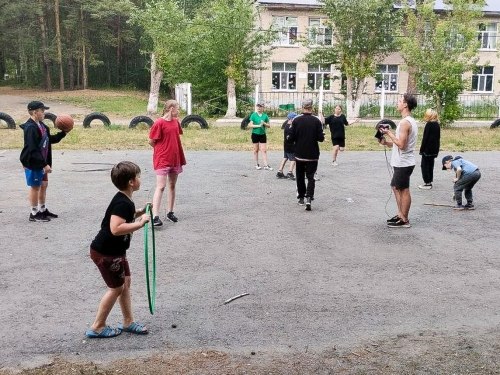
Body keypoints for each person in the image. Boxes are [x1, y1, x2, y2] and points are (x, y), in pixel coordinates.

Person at [86, 161, 150, 338]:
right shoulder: (122, 202)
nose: (140, 179)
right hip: (106, 253)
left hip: (116, 251)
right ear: (131, 182)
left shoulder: (125, 200)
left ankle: (128, 321)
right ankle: (97, 326)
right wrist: (140, 223)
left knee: (125, 283)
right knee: (116, 288)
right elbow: (116, 228)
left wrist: (139, 211)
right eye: (138, 176)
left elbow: (125, 215)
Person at [19, 101, 69, 222]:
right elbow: (32, 149)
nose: (44, 113)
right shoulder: (30, 128)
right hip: (33, 162)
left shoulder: (42, 126)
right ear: (35, 112)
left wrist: (63, 133)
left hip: (42, 161)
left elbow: (49, 140)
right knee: (35, 186)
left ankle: (42, 209)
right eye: (42, 111)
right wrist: (44, 165)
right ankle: (34, 213)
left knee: (43, 185)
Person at [379, 93, 418, 228]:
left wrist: (388, 133)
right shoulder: (408, 121)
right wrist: (386, 143)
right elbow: (401, 144)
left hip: (404, 162)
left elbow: (401, 145)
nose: (398, 103)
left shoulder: (405, 123)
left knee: (403, 189)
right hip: (402, 161)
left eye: (400, 101)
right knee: (396, 187)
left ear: (406, 105)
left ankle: (404, 220)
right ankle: (400, 214)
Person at [148, 99, 186, 226]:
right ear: (171, 109)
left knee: (172, 185)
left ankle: (170, 212)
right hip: (162, 159)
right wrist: (160, 150)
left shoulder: (176, 122)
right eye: (177, 108)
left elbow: (175, 137)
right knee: (161, 186)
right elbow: (151, 140)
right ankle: (155, 216)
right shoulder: (159, 123)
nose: (179, 111)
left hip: (175, 158)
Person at [287, 99, 325, 211]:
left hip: (299, 153)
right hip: (313, 154)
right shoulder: (317, 121)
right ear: (311, 108)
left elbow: (290, 137)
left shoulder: (296, 120)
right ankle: (309, 197)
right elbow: (321, 138)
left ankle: (301, 198)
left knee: (300, 176)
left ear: (302, 107)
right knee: (311, 177)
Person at [418, 108, 441, 189]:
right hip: (434, 149)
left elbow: (425, 138)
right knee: (431, 165)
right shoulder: (437, 124)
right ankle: (430, 180)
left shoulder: (429, 125)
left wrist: (421, 149)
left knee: (424, 166)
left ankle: (427, 182)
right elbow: (438, 138)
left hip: (427, 149)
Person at [248, 101, 272, 171]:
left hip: (262, 134)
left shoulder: (265, 116)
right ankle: (256, 164)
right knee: (256, 149)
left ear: (263, 108)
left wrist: (264, 123)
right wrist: (258, 125)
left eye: (260, 106)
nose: (259, 108)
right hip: (255, 134)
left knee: (264, 150)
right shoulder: (253, 115)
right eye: (258, 106)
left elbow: (269, 125)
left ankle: (266, 165)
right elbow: (250, 125)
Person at [276, 112, 296, 180]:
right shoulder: (291, 127)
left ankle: (280, 171)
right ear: (291, 119)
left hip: (286, 145)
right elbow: (291, 137)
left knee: (285, 158)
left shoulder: (286, 126)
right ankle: (290, 172)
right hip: (291, 146)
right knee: (293, 159)